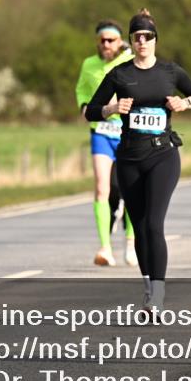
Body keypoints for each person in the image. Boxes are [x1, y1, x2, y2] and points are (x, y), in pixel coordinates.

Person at [85, 9, 191, 313]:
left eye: (147, 36)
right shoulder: (119, 74)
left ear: (155, 40)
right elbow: (91, 110)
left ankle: (158, 296)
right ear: (131, 40)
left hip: (163, 155)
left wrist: (184, 102)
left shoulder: (170, 72)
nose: (142, 41)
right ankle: (149, 289)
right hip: (129, 158)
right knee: (139, 227)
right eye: (137, 36)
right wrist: (112, 108)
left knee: (153, 223)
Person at [75, 20, 136, 267]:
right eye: (102, 40)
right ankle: (105, 247)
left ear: (119, 41)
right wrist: (83, 105)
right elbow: (81, 89)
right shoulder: (89, 64)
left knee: (131, 189)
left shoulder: (128, 61)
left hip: (126, 132)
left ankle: (131, 241)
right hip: (100, 132)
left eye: (111, 40)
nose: (106, 44)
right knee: (102, 188)